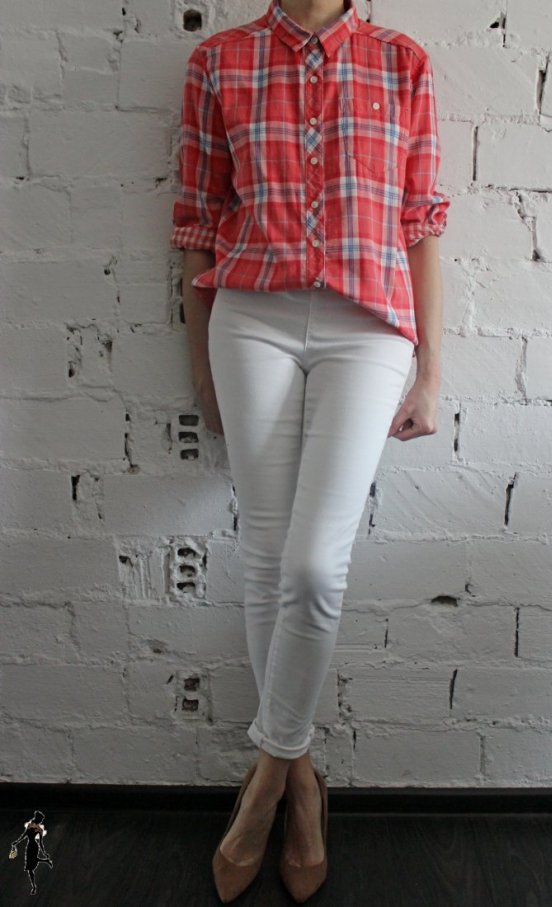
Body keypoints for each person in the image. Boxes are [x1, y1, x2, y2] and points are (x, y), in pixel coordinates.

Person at [170, 0, 450, 901]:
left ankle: (266, 784)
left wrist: (431, 372)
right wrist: (200, 365)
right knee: (265, 555)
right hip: (249, 317)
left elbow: (420, 223)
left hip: (368, 325)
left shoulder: (401, 62)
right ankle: (303, 785)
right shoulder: (220, 61)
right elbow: (196, 221)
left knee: (313, 566)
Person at [10, 810, 54, 895]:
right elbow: (24, 835)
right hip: (30, 846)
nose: (41, 821)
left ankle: (34, 886)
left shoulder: (39, 829)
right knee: (30, 866)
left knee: (31, 866)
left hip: (33, 846)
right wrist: (17, 842)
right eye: (41, 819)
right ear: (38, 818)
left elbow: (40, 842)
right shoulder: (31, 826)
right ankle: (45, 862)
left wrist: (44, 852)